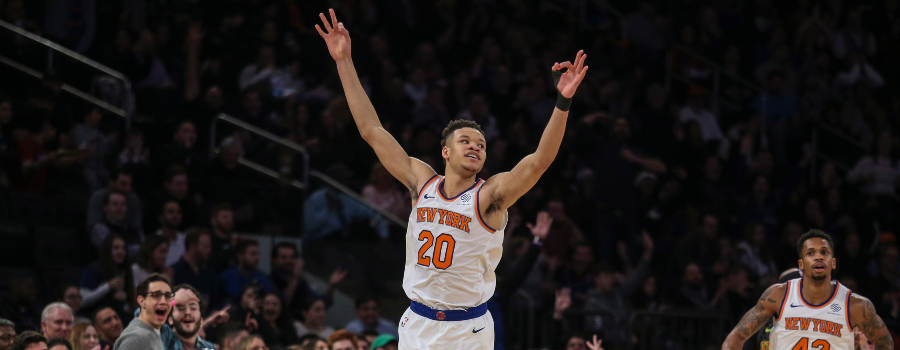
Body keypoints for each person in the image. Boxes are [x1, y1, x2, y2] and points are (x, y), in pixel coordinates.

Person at [316, 9, 588, 349]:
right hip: (417, 322)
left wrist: (563, 102)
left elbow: (538, 163)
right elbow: (371, 131)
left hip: (467, 329)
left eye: (481, 145)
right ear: (445, 152)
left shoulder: (489, 196)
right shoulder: (420, 181)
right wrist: (344, 61)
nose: (475, 147)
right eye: (466, 142)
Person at [721, 230, 894, 349]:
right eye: (811, 253)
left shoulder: (855, 305)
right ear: (801, 264)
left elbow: (885, 343)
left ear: (833, 262)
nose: (818, 257)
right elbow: (736, 337)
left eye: (824, 252)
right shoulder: (778, 296)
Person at [113, 274, 173, 350]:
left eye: (168, 296)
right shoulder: (134, 339)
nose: (164, 301)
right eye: (156, 295)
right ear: (142, 301)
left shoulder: (155, 333)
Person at [80, 235, 134, 318]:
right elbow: (83, 300)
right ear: (108, 250)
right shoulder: (94, 269)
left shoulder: (125, 270)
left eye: (123, 248)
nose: (121, 251)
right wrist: (108, 286)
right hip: (94, 317)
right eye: (116, 248)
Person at [172, 229, 221, 313]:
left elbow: (214, 305)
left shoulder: (209, 274)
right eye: (206, 247)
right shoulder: (174, 272)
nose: (209, 251)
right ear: (192, 246)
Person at [86, 169, 143, 239]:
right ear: (112, 183)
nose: (128, 189)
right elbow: (93, 226)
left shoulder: (133, 199)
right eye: (123, 184)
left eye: (130, 184)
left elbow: (136, 227)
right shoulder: (98, 197)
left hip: (127, 236)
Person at [90, 190, 143, 257]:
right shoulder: (100, 228)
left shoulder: (132, 227)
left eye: (123, 204)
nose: (120, 208)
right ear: (106, 207)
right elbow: (112, 251)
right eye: (115, 204)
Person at [166, 285, 217, 350]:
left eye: (193, 308)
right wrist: (173, 302)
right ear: (170, 319)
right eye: (181, 308)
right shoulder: (160, 344)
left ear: (201, 319)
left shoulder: (210, 348)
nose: (188, 312)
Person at [155, 200, 186, 267]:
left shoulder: (186, 240)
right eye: (170, 212)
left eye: (178, 212)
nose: (175, 215)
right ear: (161, 217)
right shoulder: (154, 241)